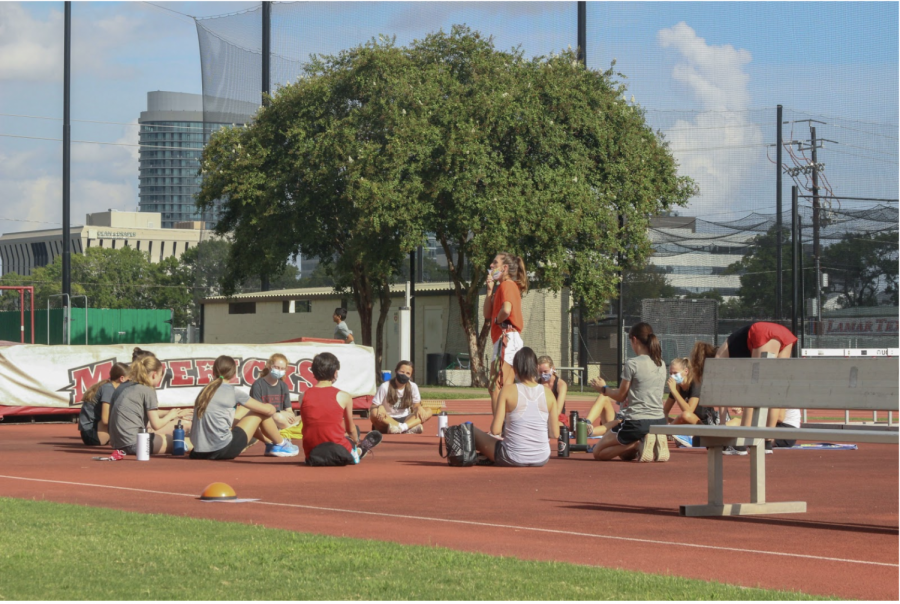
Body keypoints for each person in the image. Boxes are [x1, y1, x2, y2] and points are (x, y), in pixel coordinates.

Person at [190, 355, 299, 460]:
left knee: (245, 410)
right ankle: (281, 444)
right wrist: (271, 407)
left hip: (198, 451)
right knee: (260, 412)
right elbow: (267, 410)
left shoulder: (205, 391)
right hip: (222, 449)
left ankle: (269, 443)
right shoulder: (233, 391)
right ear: (233, 374)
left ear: (213, 371)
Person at [589, 322, 668, 462]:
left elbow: (620, 395)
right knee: (626, 455)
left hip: (636, 422)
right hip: (659, 421)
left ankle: (639, 442)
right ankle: (642, 443)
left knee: (598, 452)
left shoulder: (632, 364)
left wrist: (603, 389)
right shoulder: (661, 363)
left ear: (634, 340)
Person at [715, 322, 798, 450]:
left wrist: (721, 424)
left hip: (762, 332)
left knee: (753, 391)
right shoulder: (731, 350)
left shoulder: (719, 359)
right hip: (784, 333)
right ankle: (767, 441)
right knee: (774, 389)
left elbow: (723, 390)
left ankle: (742, 442)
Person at [470, 347, 559, 467]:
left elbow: (496, 430)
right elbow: (555, 434)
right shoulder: (548, 394)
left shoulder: (508, 391)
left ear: (515, 369)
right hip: (542, 457)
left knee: (469, 429)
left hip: (512, 456)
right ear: (536, 368)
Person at [301, 352, 381, 465]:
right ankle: (359, 450)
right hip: (339, 451)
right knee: (353, 435)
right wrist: (354, 439)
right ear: (335, 373)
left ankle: (352, 445)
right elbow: (350, 429)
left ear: (313, 373)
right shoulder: (344, 396)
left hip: (312, 454)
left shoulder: (302, 396)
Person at [108, 355, 191, 456]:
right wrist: (171, 416)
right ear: (154, 374)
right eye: (161, 374)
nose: (161, 378)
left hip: (118, 444)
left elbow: (149, 412)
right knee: (178, 440)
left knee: (166, 437)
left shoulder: (128, 387)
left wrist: (172, 412)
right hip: (135, 444)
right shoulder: (148, 390)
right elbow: (156, 425)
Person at [484, 252, 527, 415]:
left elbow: (506, 310)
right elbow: (487, 314)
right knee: (502, 385)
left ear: (505, 268)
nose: (491, 266)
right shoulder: (500, 288)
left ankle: (499, 427)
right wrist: (489, 291)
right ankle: (505, 425)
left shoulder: (507, 285)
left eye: (495, 263)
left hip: (506, 337)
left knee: (496, 386)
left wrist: (497, 321)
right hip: (505, 338)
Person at [370, 360, 432, 434]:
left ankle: (401, 428)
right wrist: (379, 407)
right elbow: (373, 407)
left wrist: (419, 407)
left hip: (405, 418)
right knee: (374, 413)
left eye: (408, 373)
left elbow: (416, 405)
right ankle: (406, 428)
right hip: (387, 419)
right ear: (396, 371)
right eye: (402, 372)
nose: (404, 375)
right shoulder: (385, 386)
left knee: (428, 411)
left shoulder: (413, 386)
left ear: (411, 376)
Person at [77, 362, 129, 446]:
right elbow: (105, 420)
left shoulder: (109, 387)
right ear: (122, 378)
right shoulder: (108, 389)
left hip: (90, 432)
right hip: (92, 434)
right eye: (129, 380)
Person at [249, 353, 298, 432]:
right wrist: (280, 412)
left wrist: (290, 415)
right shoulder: (258, 385)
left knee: (305, 417)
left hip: (282, 420)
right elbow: (258, 410)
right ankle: (292, 432)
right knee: (277, 417)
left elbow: (289, 410)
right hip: (266, 421)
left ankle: (289, 430)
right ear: (269, 366)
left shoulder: (283, 386)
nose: (279, 371)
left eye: (282, 369)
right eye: (277, 367)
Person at [537, 356, 569, 428]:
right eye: (540, 372)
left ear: (553, 369)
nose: (543, 374)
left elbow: (558, 409)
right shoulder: (536, 384)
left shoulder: (561, 384)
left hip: (557, 418)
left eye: (545, 371)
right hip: (540, 416)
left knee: (556, 425)